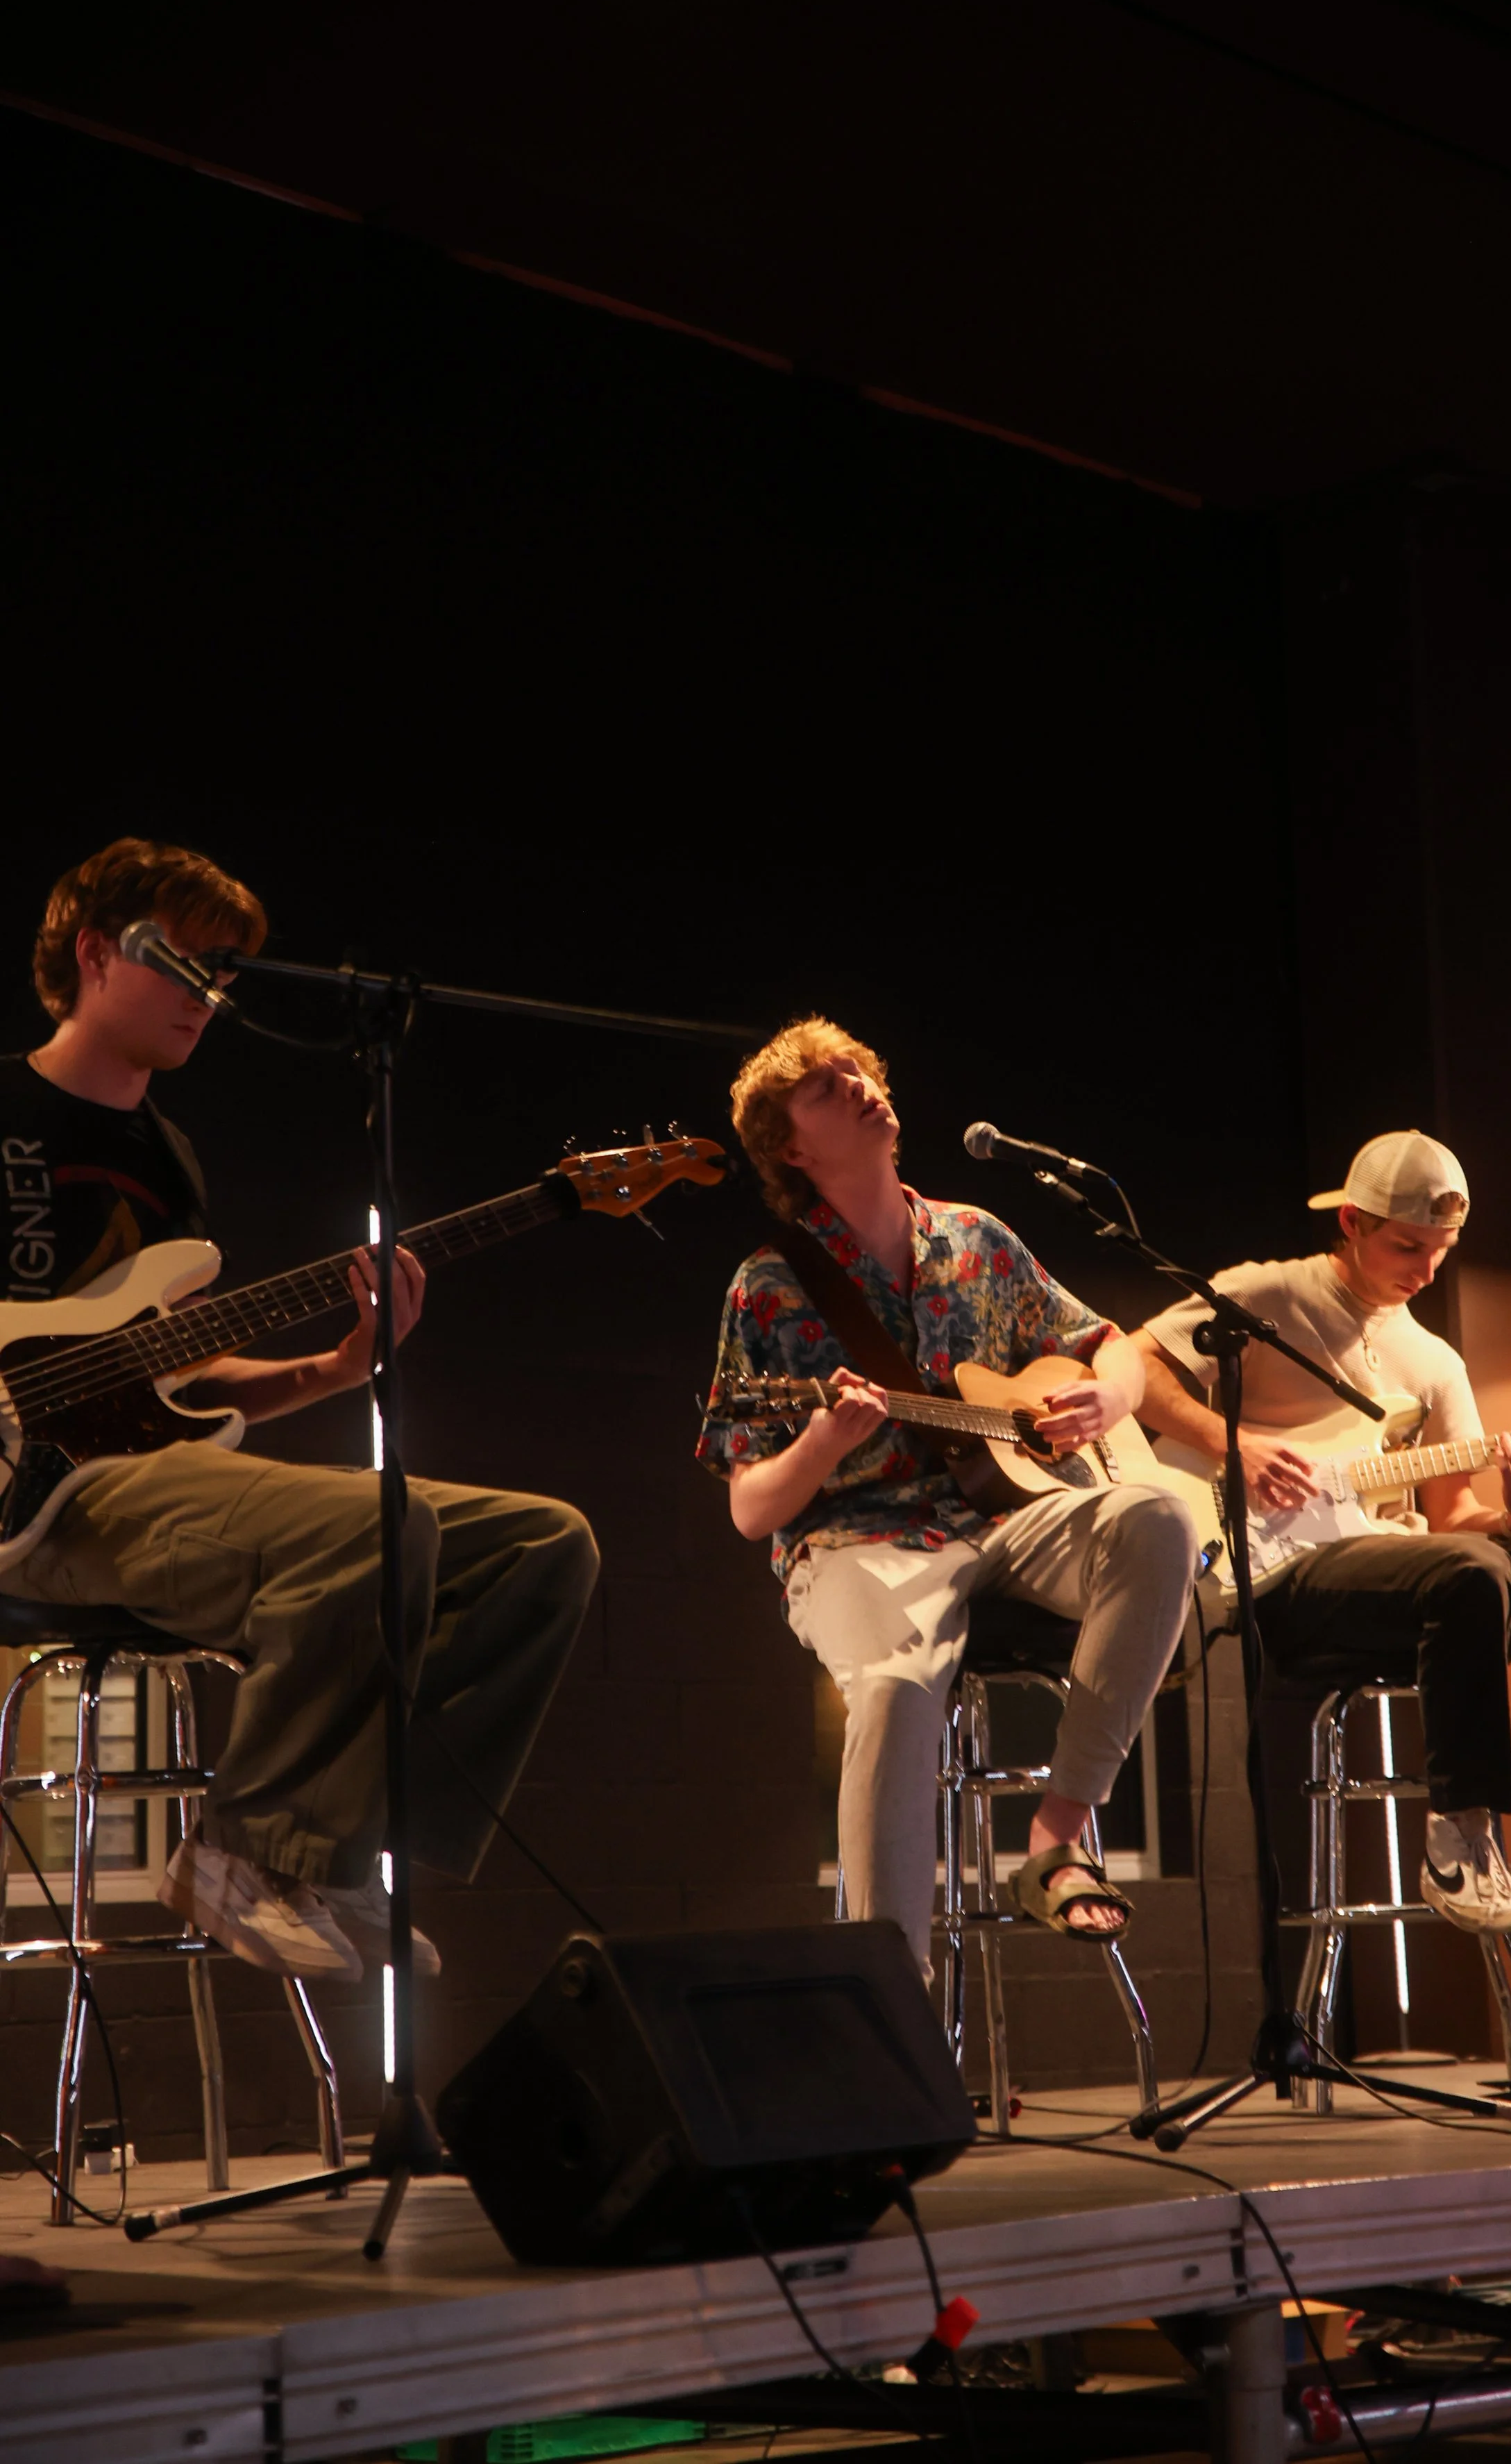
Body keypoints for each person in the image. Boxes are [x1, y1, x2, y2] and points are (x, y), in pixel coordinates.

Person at [0, 839, 598, 1982]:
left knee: (542, 1547)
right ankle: (244, 1852)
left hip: (133, 1478)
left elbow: (175, 1388)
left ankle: (342, 1857)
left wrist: (338, 1366)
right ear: (94, 952)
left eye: (228, 975)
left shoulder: (168, 1161)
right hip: (39, 1511)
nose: (213, 997)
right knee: (379, 1528)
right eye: (189, 964)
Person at [697, 1016, 1197, 1973]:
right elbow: (752, 1507)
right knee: (890, 1690)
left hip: (1006, 1518)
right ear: (793, 1147)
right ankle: (893, 2009)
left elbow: (1111, 1342)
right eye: (823, 1085)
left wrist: (1112, 1396)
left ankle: (1057, 1835)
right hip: (854, 1541)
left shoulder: (977, 1239)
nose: (855, 1083)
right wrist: (820, 1438)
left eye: (857, 1068)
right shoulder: (769, 1288)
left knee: (1162, 1512)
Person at [1133, 1129, 1511, 1940]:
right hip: (1289, 1577)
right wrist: (1235, 1445)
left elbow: (1457, 1518)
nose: (1425, 1270)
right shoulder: (1264, 1294)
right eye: (1406, 1246)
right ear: (1351, 1223)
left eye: (1442, 1251)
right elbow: (1132, 1367)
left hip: (1407, 1567)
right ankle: (1459, 1841)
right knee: (1467, 1573)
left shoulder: (1433, 1360)